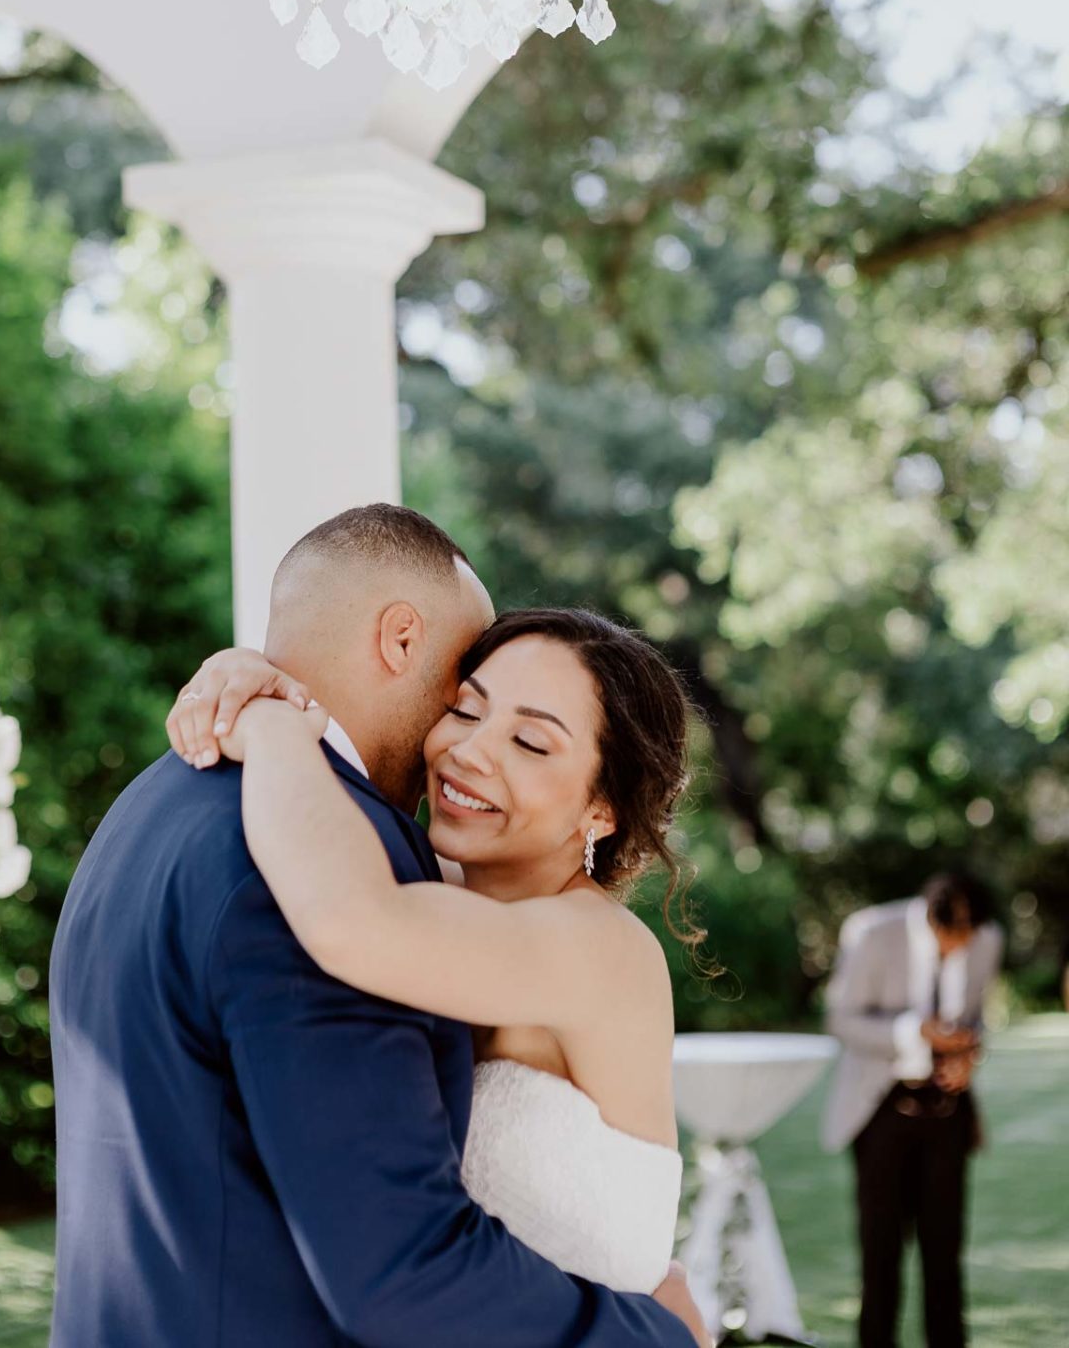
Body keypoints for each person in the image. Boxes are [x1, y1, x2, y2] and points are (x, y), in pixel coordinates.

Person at [50, 504, 705, 1348]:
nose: (470, 750)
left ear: (604, 807)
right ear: (399, 642)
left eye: (533, 744)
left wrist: (276, 722)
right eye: (465, 706)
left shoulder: (594, 948)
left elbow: (355, 921)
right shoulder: (379, 870)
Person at [822, 872, 1004, 1348]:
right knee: (881, 1256)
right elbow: (841, 1019)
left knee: (945, 1252)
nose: (959, 947)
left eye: (969, 936)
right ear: (930, 918)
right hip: (880, 1110)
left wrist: (969, 1056)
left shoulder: (988, 941)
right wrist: (915, 1033)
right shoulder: (872, 933)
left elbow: (976, 1019)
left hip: (948, 1115)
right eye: (952, 936)